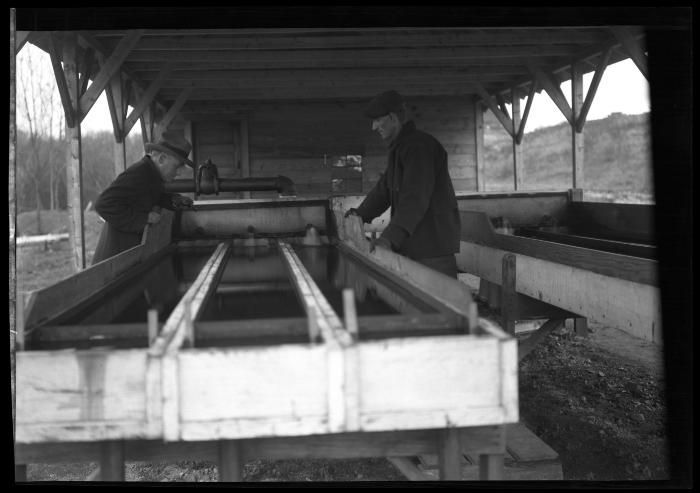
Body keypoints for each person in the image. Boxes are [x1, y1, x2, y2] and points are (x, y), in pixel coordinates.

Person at [345, 90, 461, 278]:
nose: (374, 127)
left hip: (430, 250)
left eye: (377, 120)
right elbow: (383, 191)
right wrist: (357, 216)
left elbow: (414, 198)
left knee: (436, 305)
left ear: (392, 118)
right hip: (415, 246)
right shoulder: (401, 148)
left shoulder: (418, 148)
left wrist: (389, 239)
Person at [92, 130, 196, 265]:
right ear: (162, 159)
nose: (179, 173)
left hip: (125, 258)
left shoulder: (151, 175)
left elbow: (145, 197)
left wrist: (173, 200)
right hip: (111, 262)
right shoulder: (139, 174)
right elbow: (103, 204)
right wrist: (144, 218)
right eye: (177, 167)